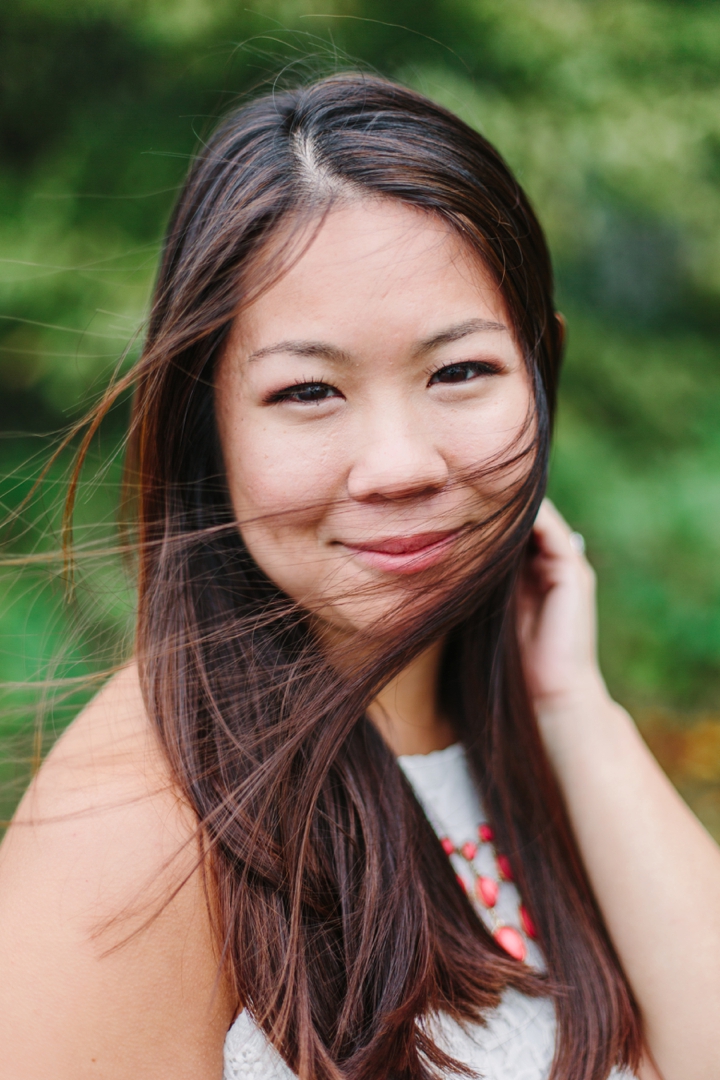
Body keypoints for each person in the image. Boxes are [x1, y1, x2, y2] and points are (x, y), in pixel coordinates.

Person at [0, 73, 718, 1080]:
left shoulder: (512, 721)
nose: (400, 467)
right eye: (307, 391)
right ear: (211, 428)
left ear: (541, 375)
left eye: (460, 371)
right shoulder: (138, 831)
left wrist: (578, 713)